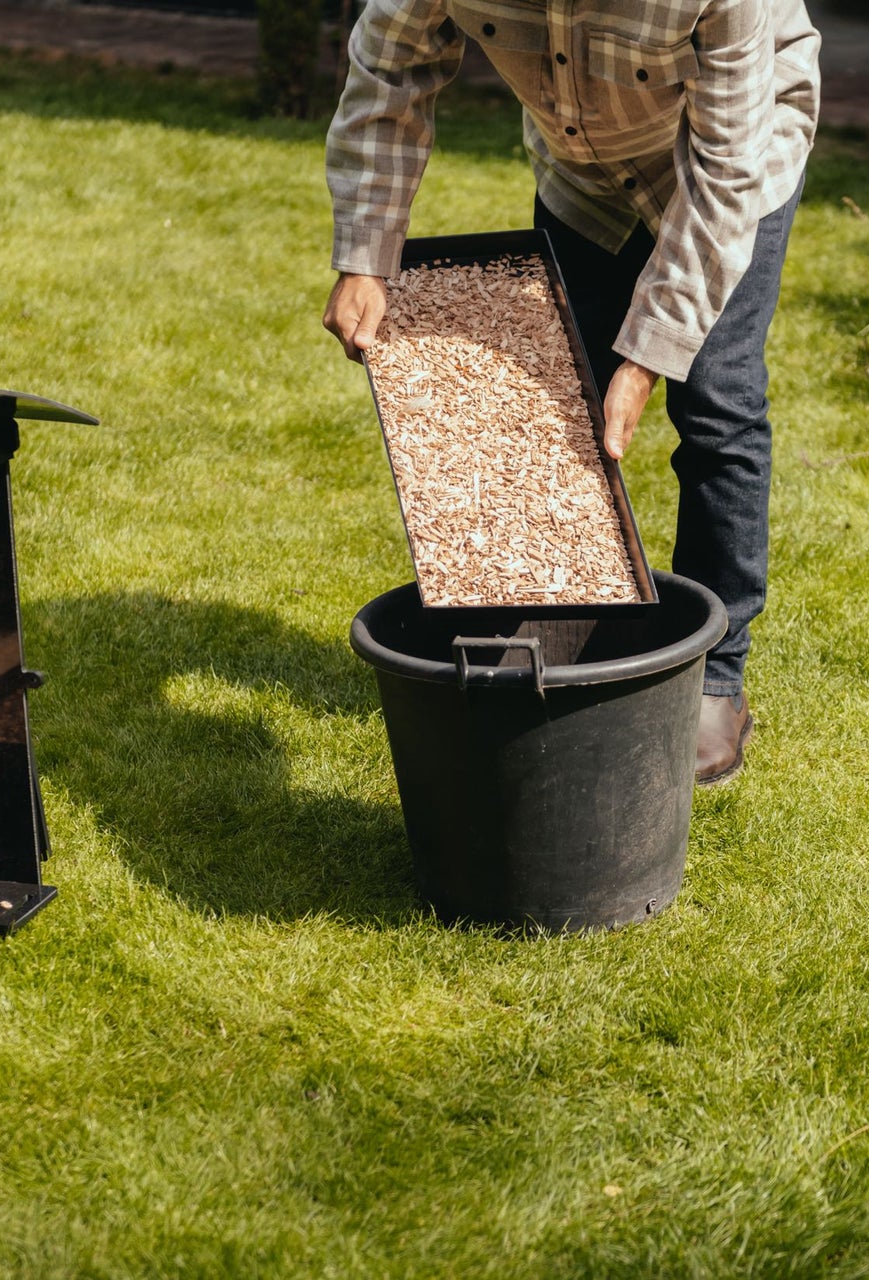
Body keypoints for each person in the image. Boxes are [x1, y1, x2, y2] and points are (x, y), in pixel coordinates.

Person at [323, 0, 819, 785]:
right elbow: (391, 67)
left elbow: (727, 170)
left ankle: (716, 677)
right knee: (555, 400)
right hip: (582, 167)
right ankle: (559, 640)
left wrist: (651, 355)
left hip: (736, 157)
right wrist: (365, 251)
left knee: (716, 400)